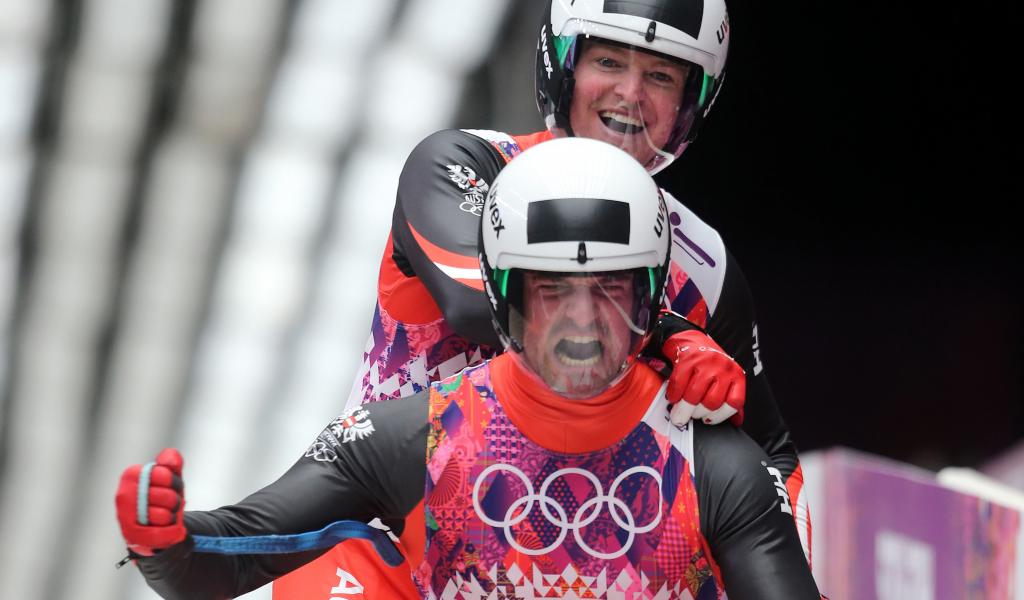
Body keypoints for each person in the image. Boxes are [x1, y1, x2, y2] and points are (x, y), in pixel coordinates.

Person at [116, 138, 822, 599]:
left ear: (651, 296)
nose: (582, 320)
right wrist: (165, 541)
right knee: (332, 574)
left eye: (610, 288)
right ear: (503, 295)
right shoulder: (404, 438)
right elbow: (223, 561)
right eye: (553, 290)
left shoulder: (719, 467)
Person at [270, 1, 810, 597]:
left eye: (661, 76)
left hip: (577, 568)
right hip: (390, 558)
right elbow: (480, 306)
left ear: (692, 103)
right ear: (562, 66)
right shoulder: (460, 166)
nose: (631, 94)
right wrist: (670, 334)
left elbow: (772, 457)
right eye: (608, 62)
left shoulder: (707, 267)